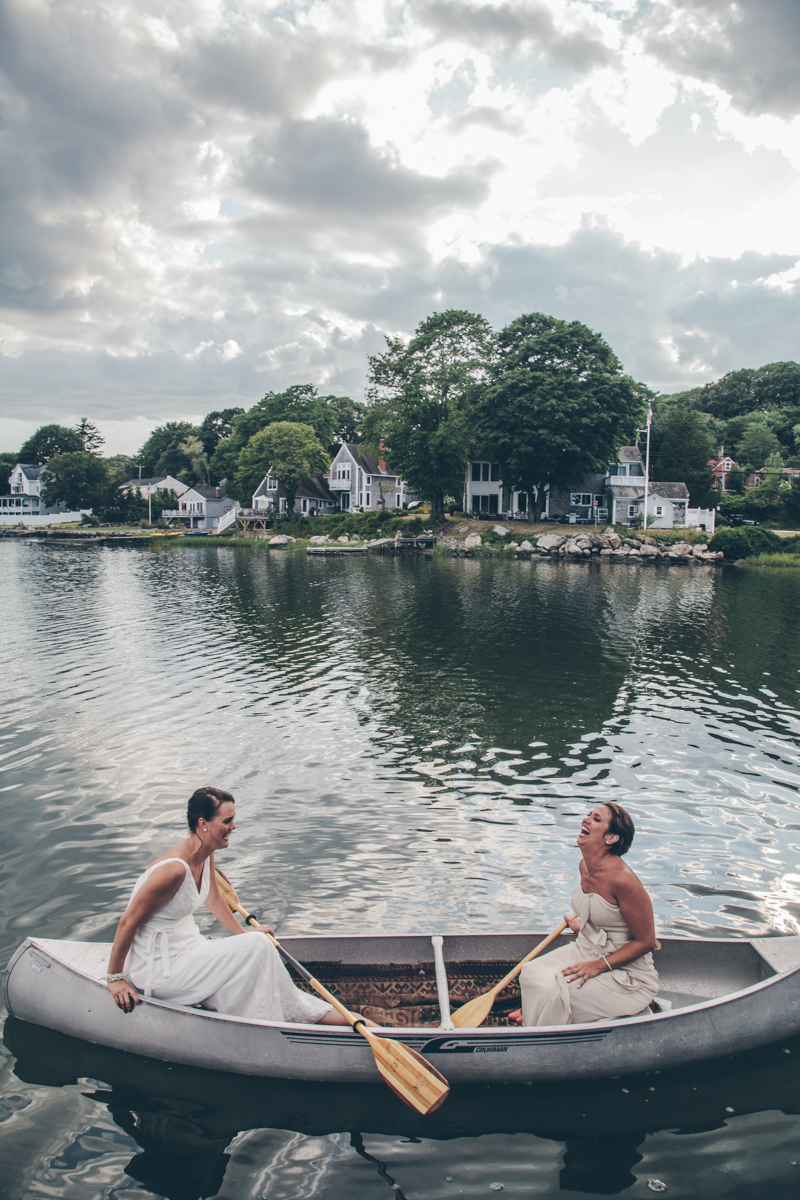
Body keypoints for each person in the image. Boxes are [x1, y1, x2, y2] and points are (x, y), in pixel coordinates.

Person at [104, 786, 376, 1026]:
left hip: (189, 949)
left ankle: (301, 1012)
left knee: (258, 946)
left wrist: (242, 935)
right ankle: (280, 1024)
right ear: (204, 824)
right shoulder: (173, 870)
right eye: (228, 820)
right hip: (157, 969)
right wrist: (115, 977)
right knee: (257, 947)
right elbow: (128, 921)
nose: (233, 827)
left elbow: (214, 898)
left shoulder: (203, 852)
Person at [508, 802, 659, 1026]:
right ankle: (538, 1012)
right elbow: (605, 915)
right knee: (531, 972)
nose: (586, 819)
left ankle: (544, 1016)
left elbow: (646, 942)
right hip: (588, 948)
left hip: (625, 971)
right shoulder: (585, 866)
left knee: (557, 991)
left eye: (596, 819)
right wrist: (582, 926)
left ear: (611, 838)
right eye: (589, 815)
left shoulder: (624, 880)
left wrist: (597, 966)